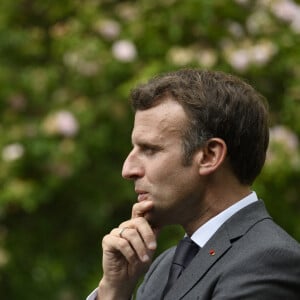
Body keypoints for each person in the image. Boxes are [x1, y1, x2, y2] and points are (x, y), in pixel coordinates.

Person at [87, 69, 300, 300]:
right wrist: (113, 291)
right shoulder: (163, 267)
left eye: (150, 150)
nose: (127, 170)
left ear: (209, 156)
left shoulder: (269, 261)